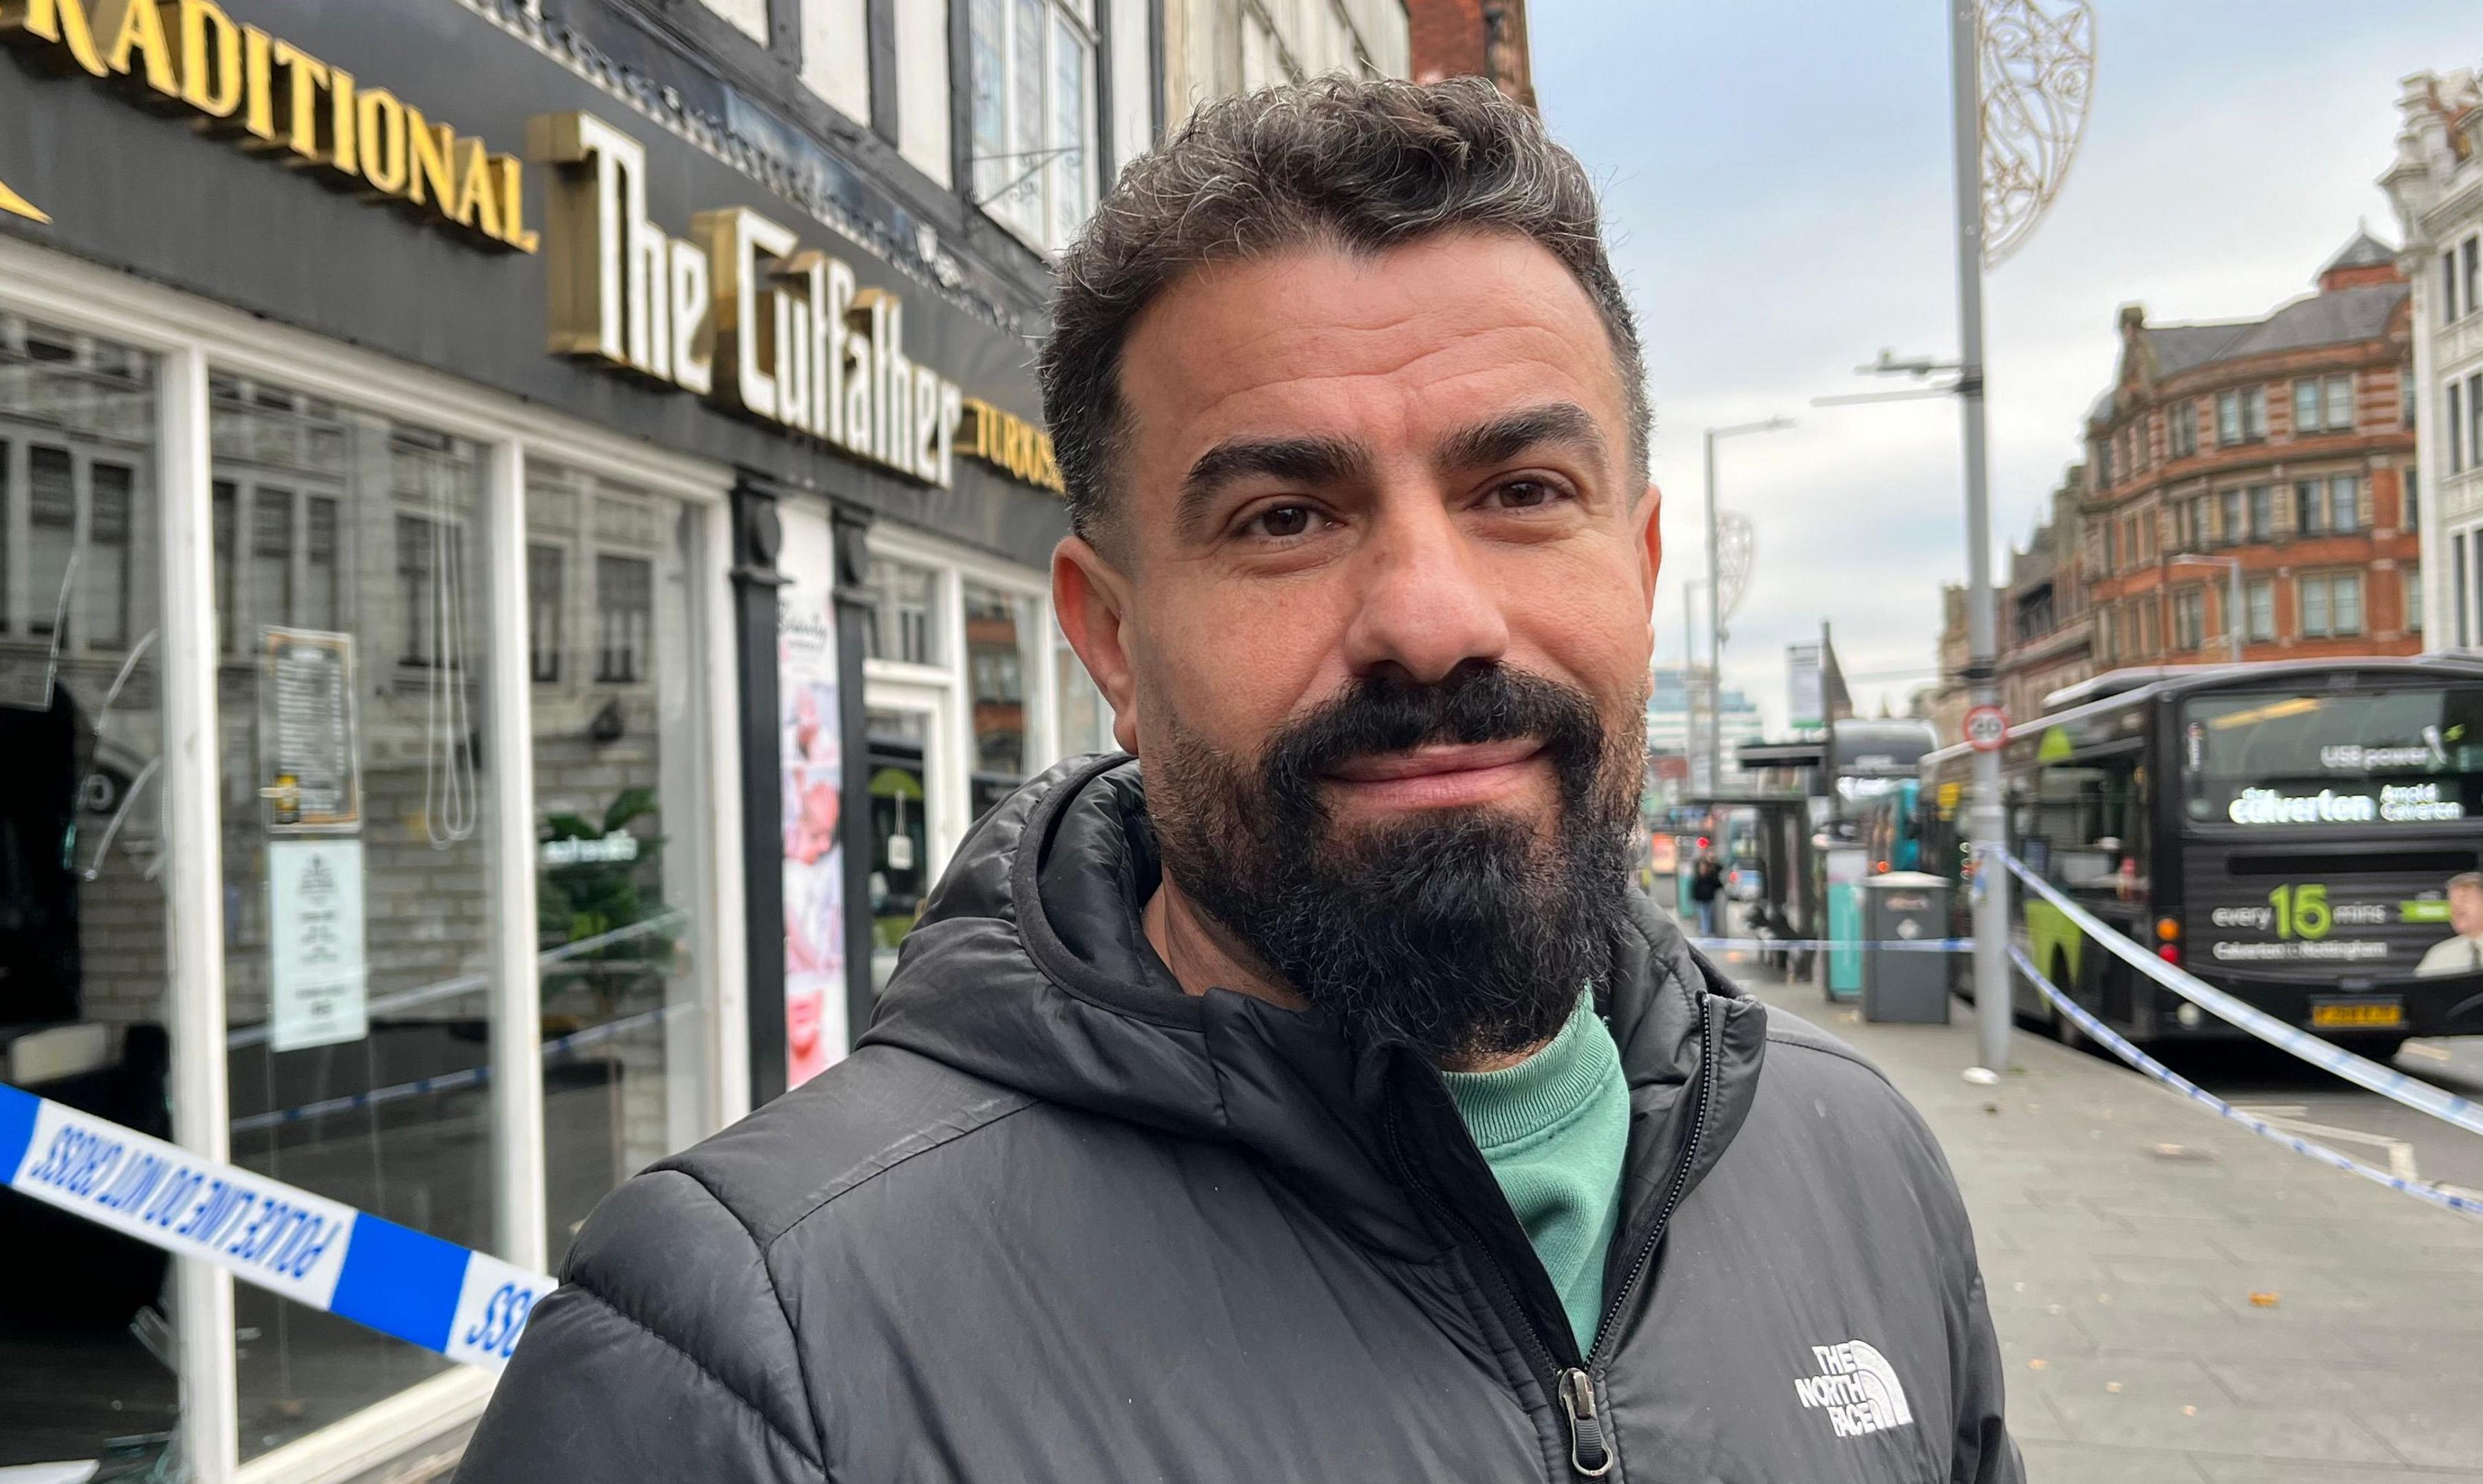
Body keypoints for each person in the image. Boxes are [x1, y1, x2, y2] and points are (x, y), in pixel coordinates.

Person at [458, 78, 2020, 1484]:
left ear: (1643, 562)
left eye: (1522, 492)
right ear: (1112, 637)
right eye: (1284, 517)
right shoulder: (748, 1347)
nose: (1427, 616)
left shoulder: (1858, 1165)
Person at [1689, 848, 1725, 938]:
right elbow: (1694, 888)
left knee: (1707, 915)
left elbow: (1720, 869)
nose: (1703, 869)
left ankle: (1706, 931)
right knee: (1703, 915)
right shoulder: (1698, 877)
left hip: (1709, 898)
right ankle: (1705, 931)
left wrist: (1712, 862)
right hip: (1702, 898)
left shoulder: (1711, 875)